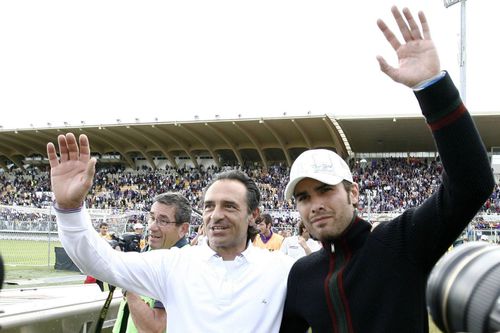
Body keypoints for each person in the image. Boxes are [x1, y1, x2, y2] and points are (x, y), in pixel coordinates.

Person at [279, 6, 495, 333]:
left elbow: (472, 184)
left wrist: (432, 88)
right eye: (303, 197)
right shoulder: (302, 274)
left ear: (353, 192)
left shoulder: (400, 242)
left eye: (325, 190)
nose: (315, 204)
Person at [46, 135, 293, 333]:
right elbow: (100, 262)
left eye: (229, 206)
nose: (215, 215)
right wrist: (69, 209)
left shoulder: (283, 270)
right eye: (209, 206)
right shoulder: (173, 264)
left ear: (253, 215)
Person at [113, 192, 191, 333]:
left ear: (183, 229)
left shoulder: (183, 266)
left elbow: (155, 329)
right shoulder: (149, 253)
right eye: (152, 218)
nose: (151, 227)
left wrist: (127, 282)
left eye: (163, 221)